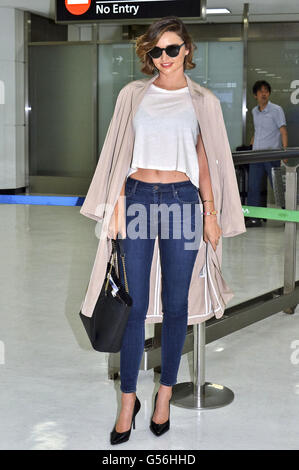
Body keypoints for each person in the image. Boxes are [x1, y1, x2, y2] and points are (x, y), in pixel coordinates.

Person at [79, 15, 245, 446]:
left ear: (187, 50)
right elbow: (118, 150)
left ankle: (165, 395)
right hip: (135, 197)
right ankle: (128, 400)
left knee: (175, 305)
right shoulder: (133, 94)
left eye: (172, 49)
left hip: (182, 202)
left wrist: (210, 213)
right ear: (148, 55)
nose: (164, 57)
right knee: (131, 305)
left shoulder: (202, 100)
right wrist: (114, 204)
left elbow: (206, 160)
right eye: (156, 51)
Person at [246, 80, 288, 227]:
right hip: (256, 155)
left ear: (269, 93)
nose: (263, 94)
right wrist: (252, 142)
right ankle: (254, 218)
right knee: (253, 187)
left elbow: (283, 131)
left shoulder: (276, 110)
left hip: (271, 155)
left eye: (266, 91)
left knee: (277, 187)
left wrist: (284, 152)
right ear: (255, 95)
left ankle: (288, 215)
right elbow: (258, 130)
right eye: (260, 91)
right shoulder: (254, 111)